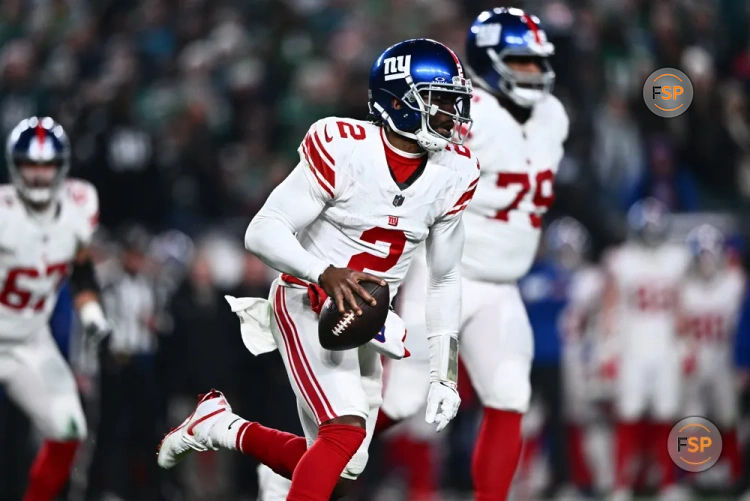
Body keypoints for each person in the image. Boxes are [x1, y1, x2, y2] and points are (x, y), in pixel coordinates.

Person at [157, 38, 479, 501]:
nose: (454, 115)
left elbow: (445, 276)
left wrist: (444, 374)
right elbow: (263, 231)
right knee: (344, 431)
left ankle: (223, 427)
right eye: (441, 101)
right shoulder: (343, 147)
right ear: (399, 102)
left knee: (347, 464)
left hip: (365, 318)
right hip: (306, 299)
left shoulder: (456, 172)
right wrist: (322, 271)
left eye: (455, 101)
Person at [301, 8, 566, 501]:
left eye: (536, 62)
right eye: (521, 62)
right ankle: (298, 463)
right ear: (490, 60)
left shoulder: (554, 117)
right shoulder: (468, 113)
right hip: (445, 272)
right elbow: (400, 172)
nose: (533, 72)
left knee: (511, 395)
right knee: (401, 400)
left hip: (503, 283)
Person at [0, 116, 109, 501]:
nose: (40, 176)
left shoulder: (81, 204)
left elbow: (80, 266)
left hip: (31, 338)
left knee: (69, 429)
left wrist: (90, 309)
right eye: (32, 165)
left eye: (47, 165)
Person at [601, 198, 690, 501]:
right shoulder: (621, 259)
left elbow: (681, 305)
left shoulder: (676, 259)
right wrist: (608, 350)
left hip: (665, 347)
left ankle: (666, 483)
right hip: (632, 347)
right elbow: (610, 307)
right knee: (628, 415)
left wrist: (686, 345)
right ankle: (622, 484)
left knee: (666, 414)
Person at [678, 224, 745, 492]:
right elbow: (679, 327)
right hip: (696, 360)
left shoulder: (734, 283)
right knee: (692, 421)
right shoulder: (685, 287)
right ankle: (690, 477)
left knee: (728, 419)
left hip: (724, 360)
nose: (706, 262)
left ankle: (733, 473)